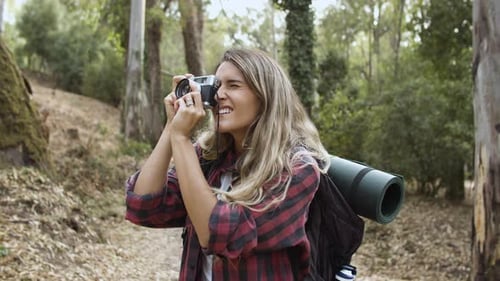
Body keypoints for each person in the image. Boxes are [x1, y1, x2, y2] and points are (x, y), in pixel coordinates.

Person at [125, 48, 331, 280]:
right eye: (217, 86)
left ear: (266, 97)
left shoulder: (297, 168)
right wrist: (172, 126)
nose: (218, 95)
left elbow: (221, 235)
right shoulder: (210, 157)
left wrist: (181, 139)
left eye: (233, 85)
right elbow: (142, 207)